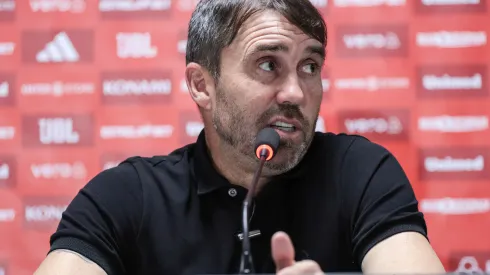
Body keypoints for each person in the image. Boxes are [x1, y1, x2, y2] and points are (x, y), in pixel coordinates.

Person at [34, 0, 447, 274]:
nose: (295, 93)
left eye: (309, 66)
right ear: (202, 85)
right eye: (268, 65)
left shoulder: (360, 170)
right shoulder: (128, 195)